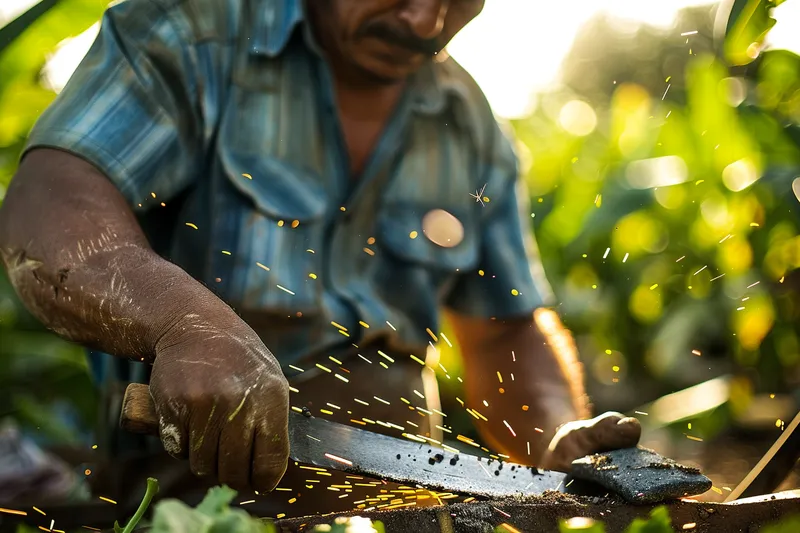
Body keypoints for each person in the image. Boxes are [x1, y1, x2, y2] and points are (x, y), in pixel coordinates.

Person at [0, 0, 640, 518]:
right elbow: (49, 202)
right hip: (192, 508)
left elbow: (506, 331)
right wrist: (185, 325)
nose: (424, 21)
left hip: (402, 510)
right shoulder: (191, 33)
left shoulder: (465, 120)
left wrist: (558, 441)